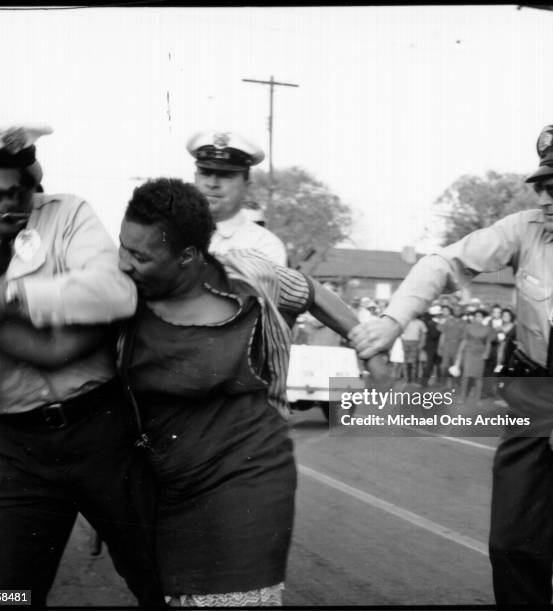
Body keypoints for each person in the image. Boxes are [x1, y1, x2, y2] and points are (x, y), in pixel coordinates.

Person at [112, 177, 382, 607]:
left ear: (187, 256)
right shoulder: (119, 297)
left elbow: (309, 291)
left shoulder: (246, 275)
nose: (124, 262)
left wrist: (364, 340)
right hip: (163, 486)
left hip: (247, 476)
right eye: (122, 246)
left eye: (140, 256)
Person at [349, 124, 553, 604]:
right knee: (513, 541)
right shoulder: (525, 228)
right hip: (533, 392)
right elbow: (444, 263)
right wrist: (393, 320)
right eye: (539, 188)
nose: (543, 200)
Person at [0, 125, 163, 608]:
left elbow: (114, 293)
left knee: (160, 578)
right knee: (5, 597)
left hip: (98, 429)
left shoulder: (66, 214)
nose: (10, 205)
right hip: (14, 445)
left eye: (21, 189)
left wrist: (10, 296)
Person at [187, 130, 287, 266]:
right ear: (195, 177)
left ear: (246, 185)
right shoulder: (168, 233)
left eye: (225, 175)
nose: (212, 184)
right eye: (205, 173)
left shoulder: (264, 246)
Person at [454, 308, 494, 403]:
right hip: (469, 352)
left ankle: (477, 397)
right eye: (476, 316)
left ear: (483, 318)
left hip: (480, 353)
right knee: (466, 375)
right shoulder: (468, 327)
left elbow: (488, 343)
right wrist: (459, 352)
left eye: (480, 316)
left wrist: (486, 353)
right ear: (474, 317)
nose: (478, 318)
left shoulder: (487, 329)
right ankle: (462, 397)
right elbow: (464, 340)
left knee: (479, 376)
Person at [400, 314, 426, 385]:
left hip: (415, 343)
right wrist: (403, 343)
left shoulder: (420, 322)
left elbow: (424, 333)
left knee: (415, 362)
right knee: (406, 362)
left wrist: (422, 343)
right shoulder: (405, 322)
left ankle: (415, 379)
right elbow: (401, 333)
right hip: (406, 342)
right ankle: (407, 379)